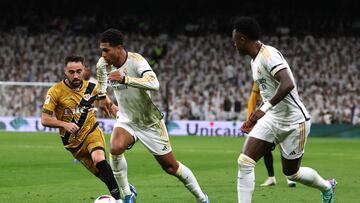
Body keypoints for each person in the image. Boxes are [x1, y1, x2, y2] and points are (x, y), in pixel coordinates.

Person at [96, 28, 209, 203]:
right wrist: (103, 97)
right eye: (101, 50)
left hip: (149, 122)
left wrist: (125, 79)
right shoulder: (103, 64)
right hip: (127, 118)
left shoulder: (136, 61)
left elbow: (154, 83)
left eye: (106, 50)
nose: (103, 55)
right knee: (116, 147)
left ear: (119, 48)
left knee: (171, 167)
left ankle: (202, 199)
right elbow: (102, 81)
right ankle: (127, 195)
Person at [232, 17, 336, 203]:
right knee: (245, 162)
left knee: (292, 173)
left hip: (294, 121)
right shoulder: (254, 61)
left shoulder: (268, 55)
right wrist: (256, 116)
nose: (234, 45)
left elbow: (288, 83)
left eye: (235, 40)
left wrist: (264, 108)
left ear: (242, 39)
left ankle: (327, 187)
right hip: (272, 119)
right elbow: (268, 93)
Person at [41, 55, 122, 203]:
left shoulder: (92, 88)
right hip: (73, 145)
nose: (76, 75)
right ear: (65, 71)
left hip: (92, 131)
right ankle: (128, 189)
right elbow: (44, 119)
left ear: (84, 70)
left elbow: (110, 106)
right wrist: (64, 124)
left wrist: (121, 118)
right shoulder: (55, 91)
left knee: (99, 159)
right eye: (71, 72)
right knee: (104, 175)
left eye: (79, 71)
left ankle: (119, 200)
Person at [242, 82, 297, 187]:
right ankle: (271, 177)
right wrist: (249, 118)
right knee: (265, 146)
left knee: (284, 143)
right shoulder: (259, 78)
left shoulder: (280, 77)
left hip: (282, 113)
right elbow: (253, 98)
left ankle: (289, 175)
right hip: (267, 114)